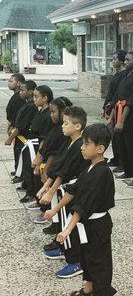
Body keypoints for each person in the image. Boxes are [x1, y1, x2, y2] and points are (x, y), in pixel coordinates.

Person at [54, 123, 116, 296]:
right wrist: (55, 210)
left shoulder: (102, 173)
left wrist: (67, 229)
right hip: (87, 224)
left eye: (86, 144)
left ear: (99, 148)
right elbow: (74, 190)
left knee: (99, 263)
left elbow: (83, 205)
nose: (82, 147)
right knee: (86, 258)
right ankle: (88, 289)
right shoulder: (89, 167)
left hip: (97, 224)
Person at [39, 106, 89, 279]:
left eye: (66, 123)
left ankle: (76, 262)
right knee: (62, 222)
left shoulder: (80, 146)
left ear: (77, 126)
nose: (62, 125)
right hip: (65, 189)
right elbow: (58, 166)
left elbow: (65, 172)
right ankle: (63, 248)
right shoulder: (70, 142)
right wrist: (47, 184)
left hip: (73, 191)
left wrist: (51, 191)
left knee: (71, 225)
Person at [110, 51, 133, 186]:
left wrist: (121, 121)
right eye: (124, 60)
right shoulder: (125, 75)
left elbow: (130, 101)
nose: (125, 62)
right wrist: (113, 116)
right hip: (120, 111)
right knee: (122, 144)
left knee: (132, 146)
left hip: (130, 115)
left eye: (128, 60)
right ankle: (128, 170)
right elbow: (117, 97)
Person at [20, 85, 53, 204]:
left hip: (38, 147)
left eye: (36, 96)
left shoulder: (48, 114)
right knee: (29, 170)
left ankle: (36, 196)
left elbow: (44, 137)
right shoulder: (40, 111)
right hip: (31, 145)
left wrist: (39, 156)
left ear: (45, 98)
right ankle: (32, 192)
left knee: (36, 172)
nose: (34, 99)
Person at [5, 80, 38, 185]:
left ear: (31, 92)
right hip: (19, 137)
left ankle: (28, 186)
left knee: (25, 160)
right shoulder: (26, 104)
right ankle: (22, 178)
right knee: (19, 157)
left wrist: (10, 138)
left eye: (23, 90)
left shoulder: (32, 106)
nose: (20, 92)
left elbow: (22, 126)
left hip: (24, 138)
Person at [101, 49, 127, 170]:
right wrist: (104, 107)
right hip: (110, 107)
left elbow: (118, 96)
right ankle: (116, 158)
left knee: (117, 137)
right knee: (114, 137)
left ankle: (122, 161)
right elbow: (110, 93)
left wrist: (112, 110)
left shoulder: (124, 76)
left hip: (117, 108)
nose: (113, 61)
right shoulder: (116, 75)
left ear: (121, 61)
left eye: (115, 59)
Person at [5, 73, 26, 174]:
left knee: (19, 149)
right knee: (16, 148)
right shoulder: (15, 96)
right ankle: (17, 169)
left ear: (18, 83)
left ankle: (20, 171)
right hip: (13, 125)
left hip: (17, 126)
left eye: (11, 81)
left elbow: (16, 114)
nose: (8, 83)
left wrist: (10, 126)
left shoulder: (19, 98)